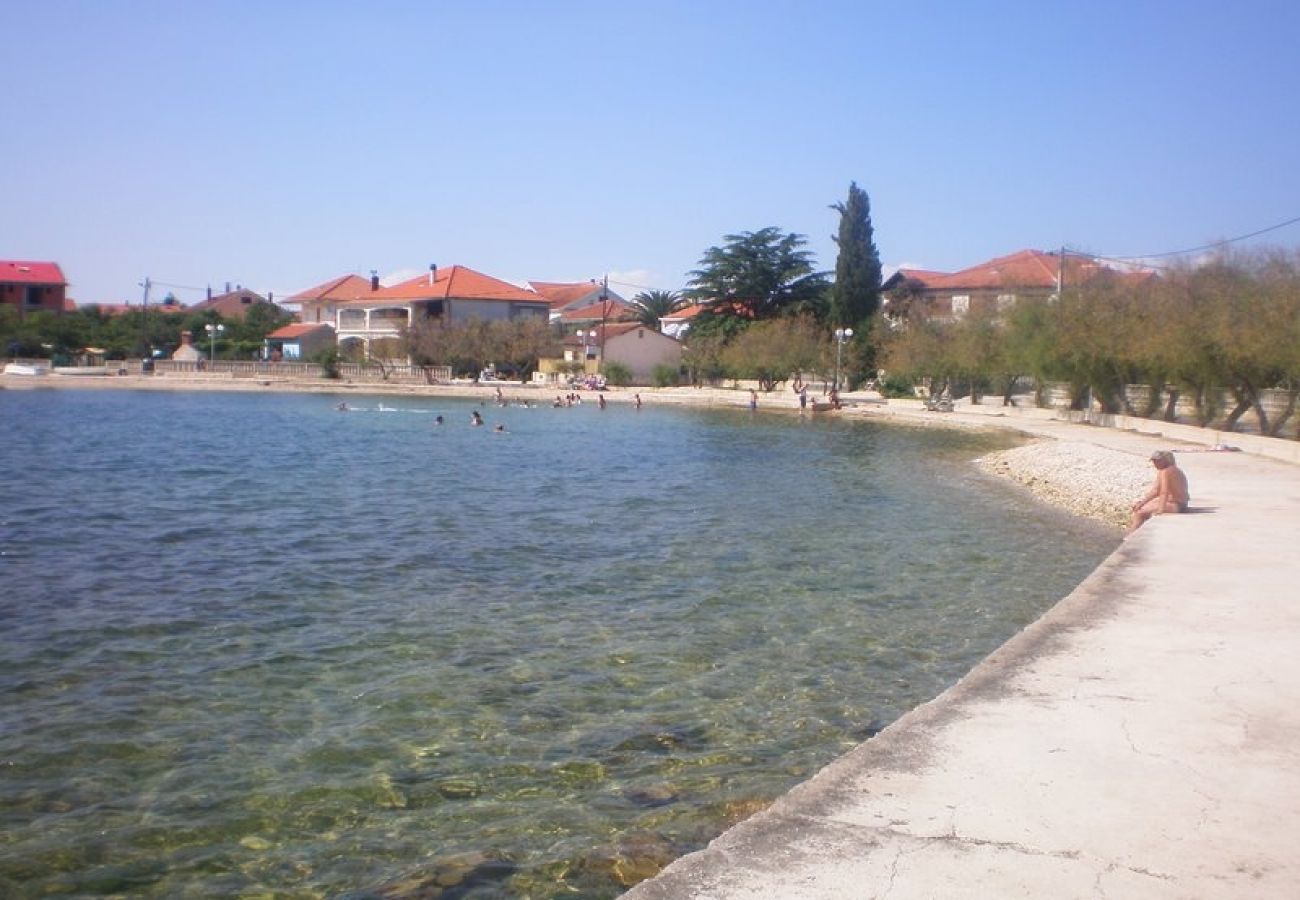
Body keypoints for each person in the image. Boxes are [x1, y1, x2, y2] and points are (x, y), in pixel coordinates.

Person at [1128, 450, 1190, 533]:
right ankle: (1135, 532)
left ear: (1166, 460)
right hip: (1179, 503)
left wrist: (1161, 509)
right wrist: (1141, 503)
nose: (1155, 464)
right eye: (1154, 461)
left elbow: (1164, 491)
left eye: (1158, 461)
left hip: (1177, 505)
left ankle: (1130, 536)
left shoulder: (1166, 471)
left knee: (1140, 513)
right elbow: (1156, 491)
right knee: (1140, 508)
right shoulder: (1169, 470)